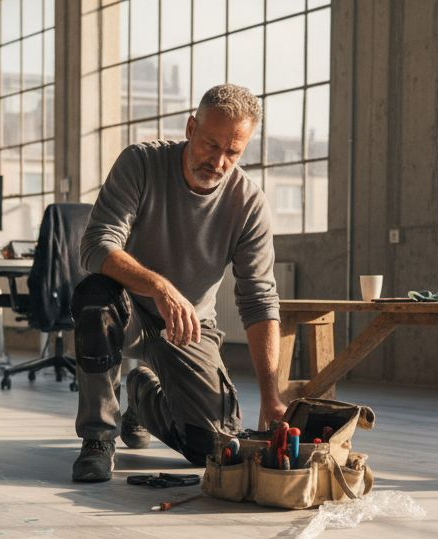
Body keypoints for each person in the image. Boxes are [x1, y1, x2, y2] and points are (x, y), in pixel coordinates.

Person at [70, 83, 283, 482]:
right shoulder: (141, 163)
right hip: (128, 311)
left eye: (232, 152)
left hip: (190, 327)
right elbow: (96, 246)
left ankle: (143, 397)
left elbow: (259, 299)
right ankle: (99, 436)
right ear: (190, 128)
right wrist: (159, 287)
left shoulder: (249, 204)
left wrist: (271, 398)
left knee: (213, 448)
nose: (218, 162)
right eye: (209, 144)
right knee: (93, 299)